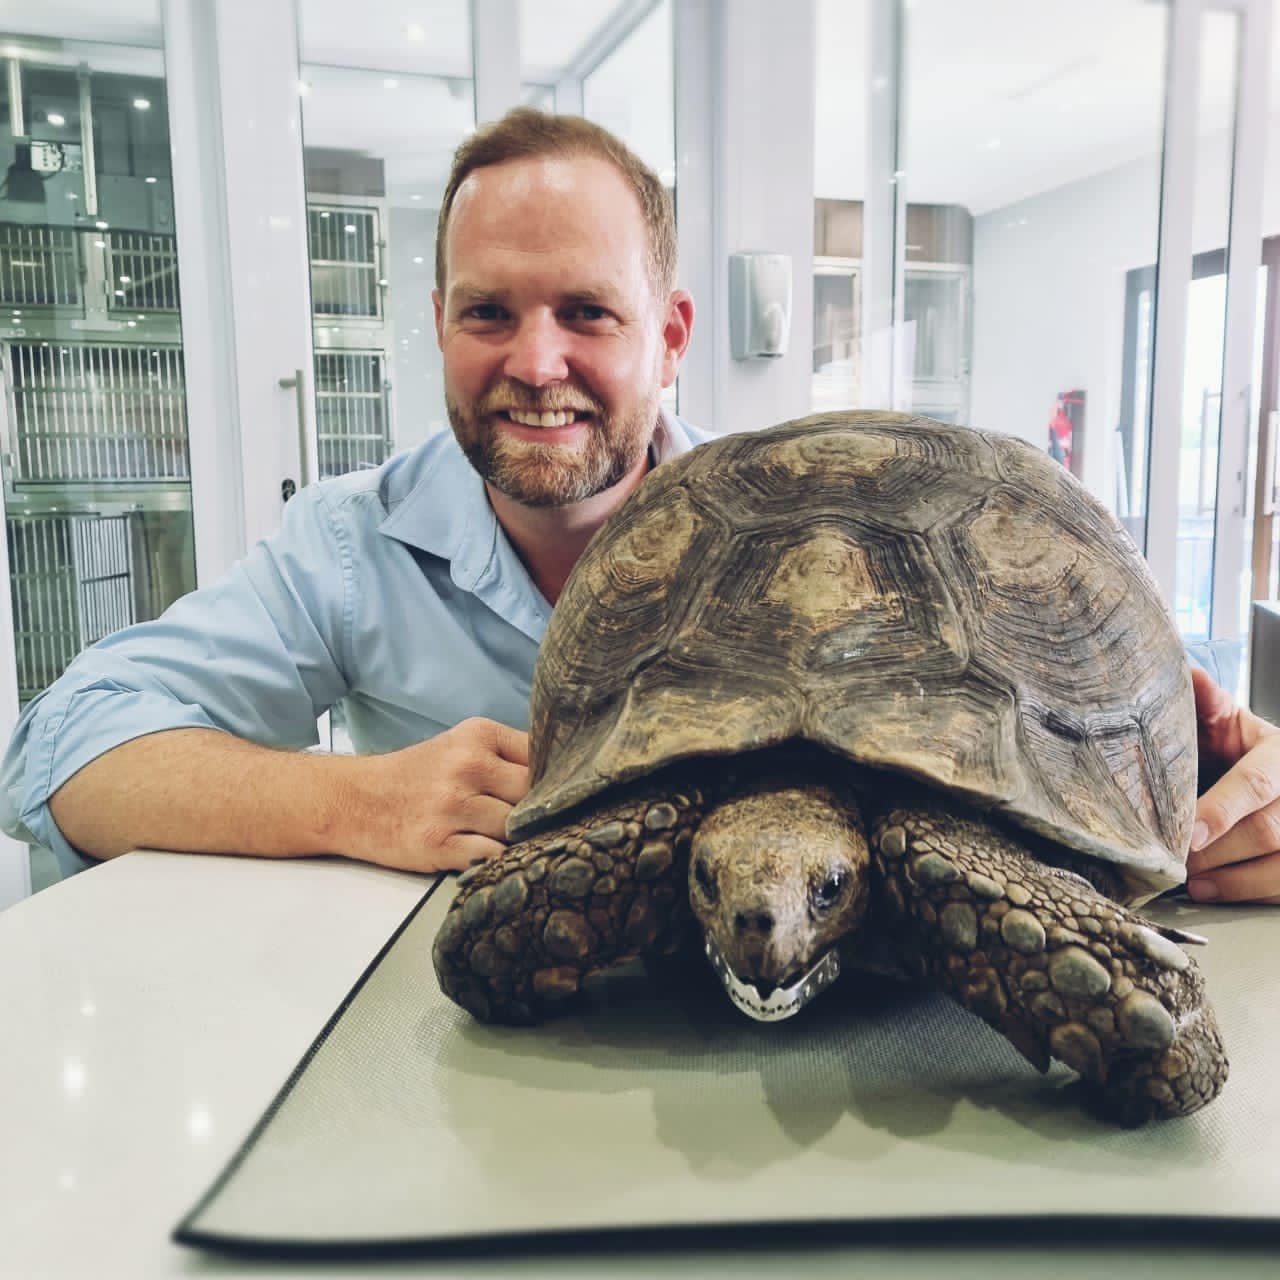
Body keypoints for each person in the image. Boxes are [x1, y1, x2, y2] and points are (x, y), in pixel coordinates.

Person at [0, 109, 1276, 906]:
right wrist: (356, 800)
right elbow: (58, 747)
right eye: (488, 311)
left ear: (669, 336)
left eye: (587, 314)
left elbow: (1138, 719)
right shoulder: (350, 544)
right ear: (438, 326)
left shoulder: (834, 523)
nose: (535, 363)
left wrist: (1224, 785)